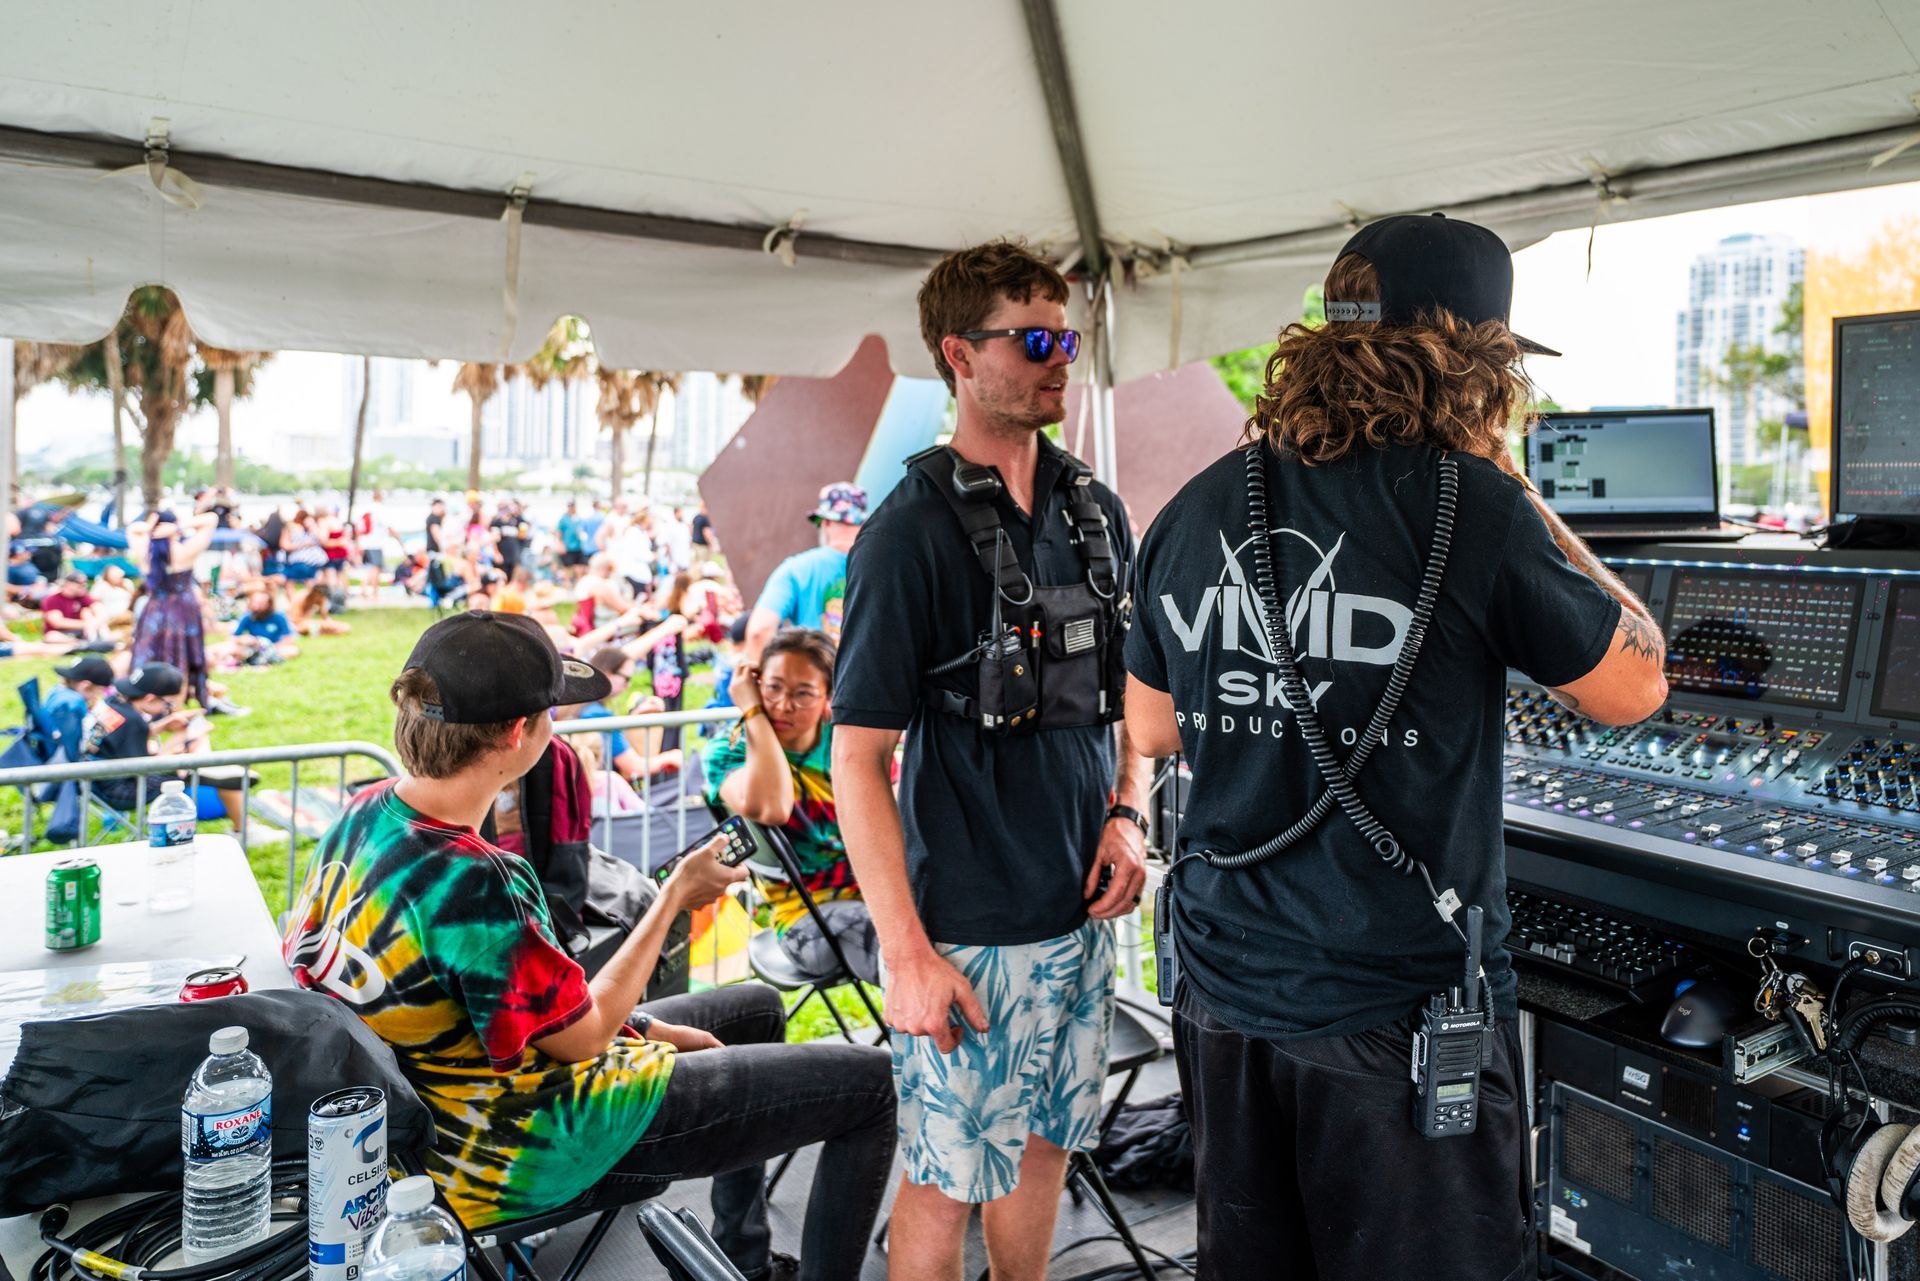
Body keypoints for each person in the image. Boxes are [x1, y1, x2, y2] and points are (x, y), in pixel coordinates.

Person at [1122, 214, 1670, 1280]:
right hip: (1398, 1017)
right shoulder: (1478, 507)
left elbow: (1153, 728)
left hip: (1224, 996)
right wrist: (1513, 488)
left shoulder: (1196, 507)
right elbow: (1635, 683)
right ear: (1480, 358)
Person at [281, 612, 896, 1281]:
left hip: (450, 1113)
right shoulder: (480, 876)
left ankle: (744, 1257)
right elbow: (580, 1037)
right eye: (552, 714)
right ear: (520, 733)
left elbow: (522, 1009)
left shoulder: (364, 812)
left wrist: (648, 1026)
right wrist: (673, 898)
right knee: (875, 1087)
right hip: (530, 1139)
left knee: (752, 1008)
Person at [833, 240, 1152, 1281]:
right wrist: (907, 953)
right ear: (959, 355)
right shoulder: (907, 534)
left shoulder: (1094, 511)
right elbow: (857, 757)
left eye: (1070, 338)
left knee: (1047, 1146)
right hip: (967, 933)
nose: (1063, 359)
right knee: (945, 1179)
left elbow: (1118, 700)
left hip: (1079, 912)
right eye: (1038, 339)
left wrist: (1127, 811)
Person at [707, 629, 875, 983]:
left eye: (803, 693)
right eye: (773, 687)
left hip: (880, 891)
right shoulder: (728, 751)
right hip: (806, 917)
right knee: (894, 941)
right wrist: (753, 712)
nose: (783, 705)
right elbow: (771, 808)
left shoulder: (844, 737)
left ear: (829, 695)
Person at [81, 661, 247, 824]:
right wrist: (179, 739)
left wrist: (162, 726)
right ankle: (242, 826)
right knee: (217, 776)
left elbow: (120, 741)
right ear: (150, 698)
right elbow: (145, 767)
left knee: (195, 765)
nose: (167, 709)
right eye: (168, 704)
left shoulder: (115, 704)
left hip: (95, 783)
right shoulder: (133, 722)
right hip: (119, 793)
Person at [128, 509, 241, 715]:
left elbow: (133, 529)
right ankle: (176, 708)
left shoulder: (146, 551)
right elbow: (211, 519)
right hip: (181, 611)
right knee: (182, 660)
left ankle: (146, 707)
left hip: (154, 612)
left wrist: (151, 527)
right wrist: (179, 527)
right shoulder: (185, 551)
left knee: (149, 657)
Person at [742, 483, 865, 660]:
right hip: (866, 683)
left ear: (826, 522)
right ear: (862, 522)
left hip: (813, 681)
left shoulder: (796, 569)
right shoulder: (885, 569)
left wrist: (763, 682)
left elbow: (759, 631)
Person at [44, 654, 115, 762]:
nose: (98, 695)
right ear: (85, 686)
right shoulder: (73, 704)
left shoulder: (57, 692)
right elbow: (73, 749)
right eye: (99, 690)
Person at [40, 571, 103, 641]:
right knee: (51, 636)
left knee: (86, 612)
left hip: (82, 630)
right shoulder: (52, 599)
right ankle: (82, 644)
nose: (83, 587)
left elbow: (99, 608)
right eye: (80, 585)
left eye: (84, 585)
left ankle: (97, 640)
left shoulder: (82, 596)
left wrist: (95, 622)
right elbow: (57, 622)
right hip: (61, 632)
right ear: (69, 584)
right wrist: (86, 624)